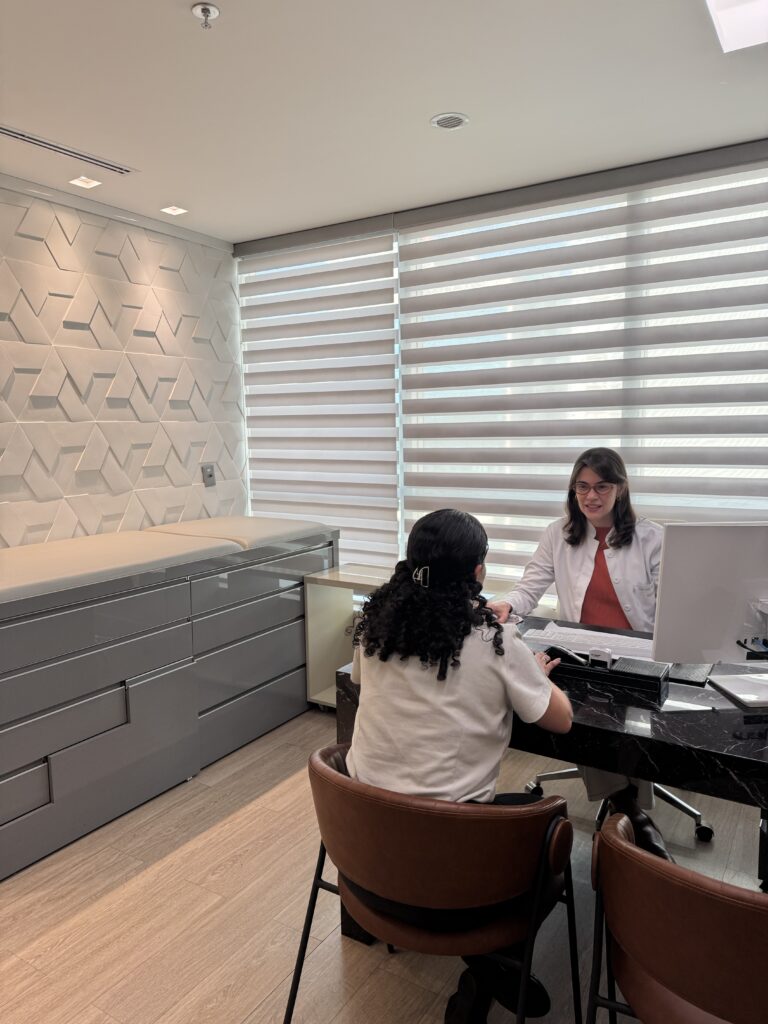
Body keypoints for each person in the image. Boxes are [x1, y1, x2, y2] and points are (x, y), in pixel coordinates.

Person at [348, 508, 573, 1023]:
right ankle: (490, 962)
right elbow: (560, 720)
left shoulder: (373, 626)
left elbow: (360, 682)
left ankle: (486, 967)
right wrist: (536, 675)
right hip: (455, 880)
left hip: (366, 862)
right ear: (477, 572)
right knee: (554, 829)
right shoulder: (495, 641)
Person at [488, 447, 670, 860]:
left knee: (627, 724)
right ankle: (630, 811)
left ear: (620, 488)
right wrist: (508, 604)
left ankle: (624, 806)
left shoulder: (653, 538)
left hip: (638, 655)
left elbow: (671, 605)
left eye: (602, 487)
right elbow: (530, 587)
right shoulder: (559, 533)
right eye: (582, 487)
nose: (591, 496)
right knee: (588, 718)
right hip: (578, 652)